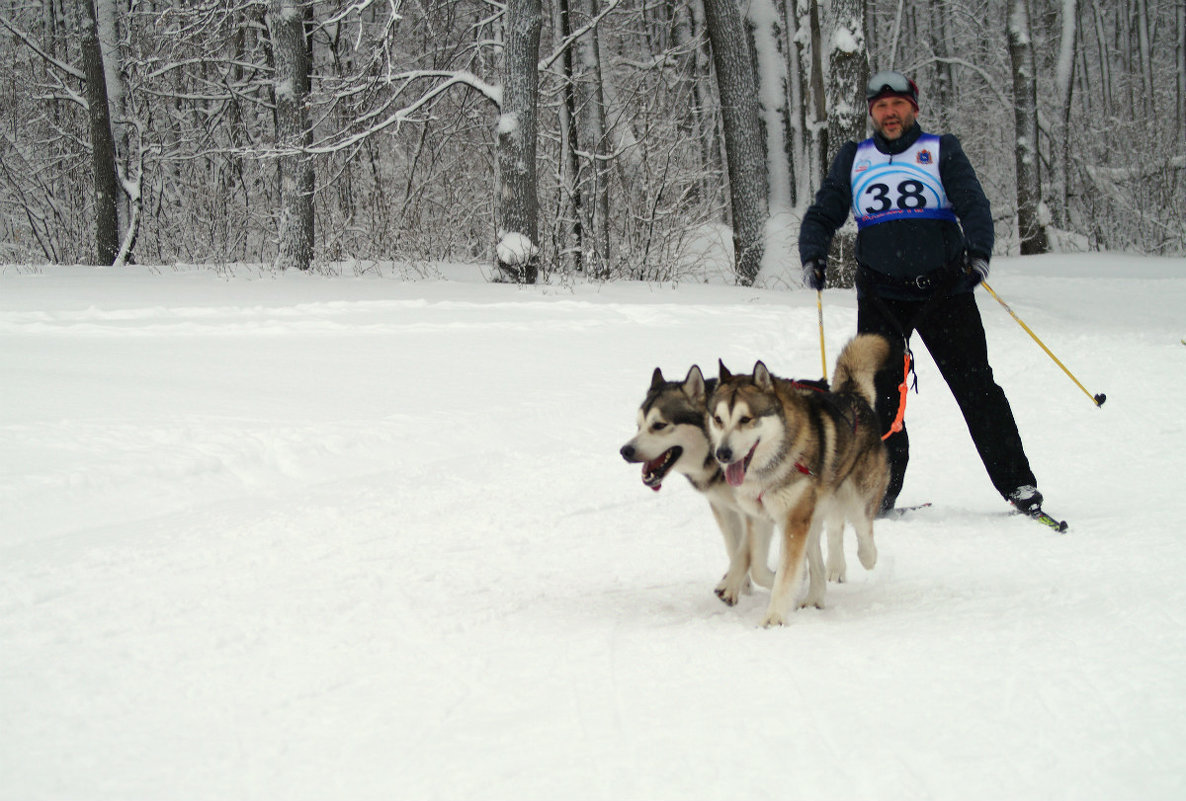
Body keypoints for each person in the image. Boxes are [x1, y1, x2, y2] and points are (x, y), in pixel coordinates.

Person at [797, 69, 1043, 516]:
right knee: (879, 399)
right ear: (872, 113)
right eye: (880, 107)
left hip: (944, 291)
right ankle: (880, 492)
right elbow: (824, 209)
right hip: (880, 297)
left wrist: (979, 253)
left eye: (898, 105)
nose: (890, 114)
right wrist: (813, 251)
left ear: (914, 107)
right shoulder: (855, 156)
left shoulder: (940, 149)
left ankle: (1018, 484)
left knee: (977, 388)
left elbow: (973, 203)